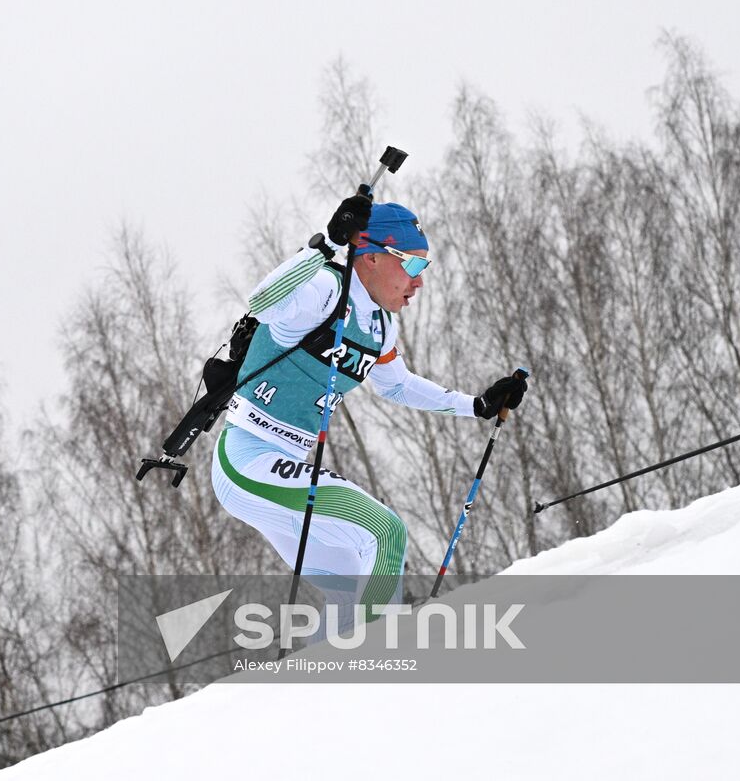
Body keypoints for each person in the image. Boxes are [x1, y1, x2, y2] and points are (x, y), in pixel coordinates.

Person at [211, 195, 526, 626]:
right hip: (248, 459)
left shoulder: (380, 323)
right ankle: (374, 665)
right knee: (383, 532)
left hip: (286, 461)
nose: (418, 282)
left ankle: (319, 680)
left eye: (424, 269)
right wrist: (325, 247)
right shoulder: (326, 288)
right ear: (374, 257)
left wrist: (476, 406)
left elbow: (397, 385)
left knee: (349, 583)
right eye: (413, 266)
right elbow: (263, 303)